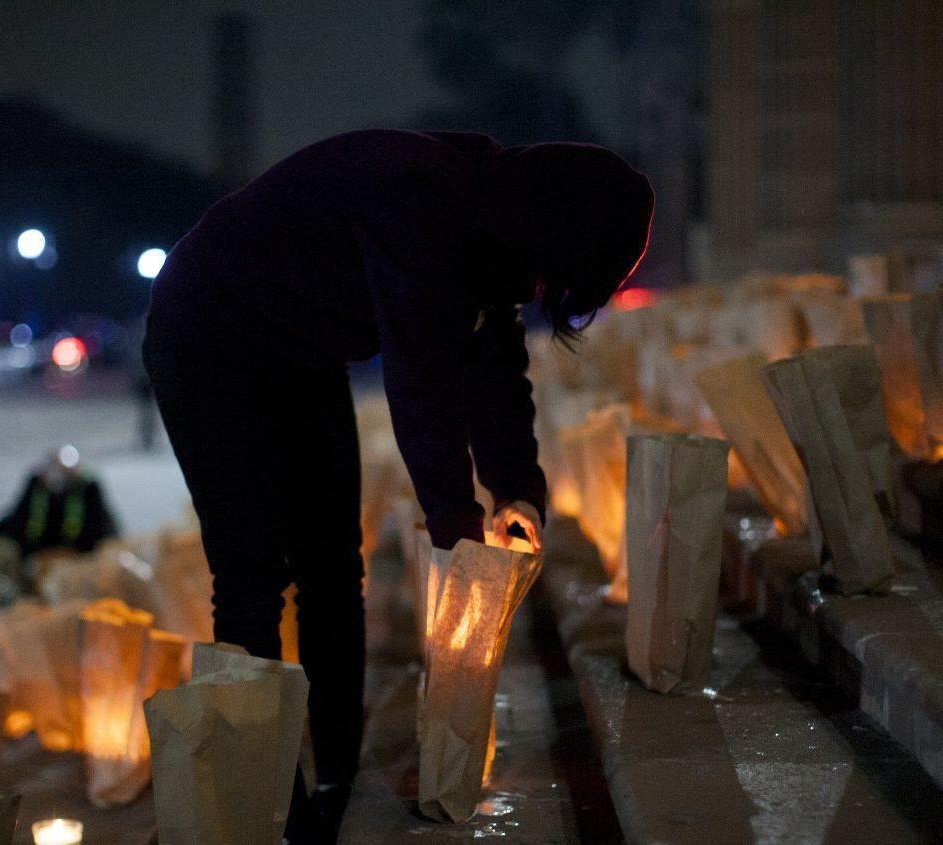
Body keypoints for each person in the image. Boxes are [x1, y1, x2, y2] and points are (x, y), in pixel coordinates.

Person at [142, 129, 653, 841]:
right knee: (252, 575)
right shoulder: (417, 198)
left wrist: (518, 491)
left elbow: (494, 363)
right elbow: (421, 370)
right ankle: (267, 802)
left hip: (301, 351)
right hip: (207, 336)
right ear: (544, 228)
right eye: (548, 278)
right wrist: (453, 514)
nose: (538, 292)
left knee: (333, 564)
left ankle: (335, 779)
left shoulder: (487, 220)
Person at [0, 447, 118, 614]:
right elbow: (17, 518)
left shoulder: (88, 489)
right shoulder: (36, 486)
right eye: (52, 469)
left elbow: (105, 529)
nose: (56, 476)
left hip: (74, 559)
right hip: (32, 555)